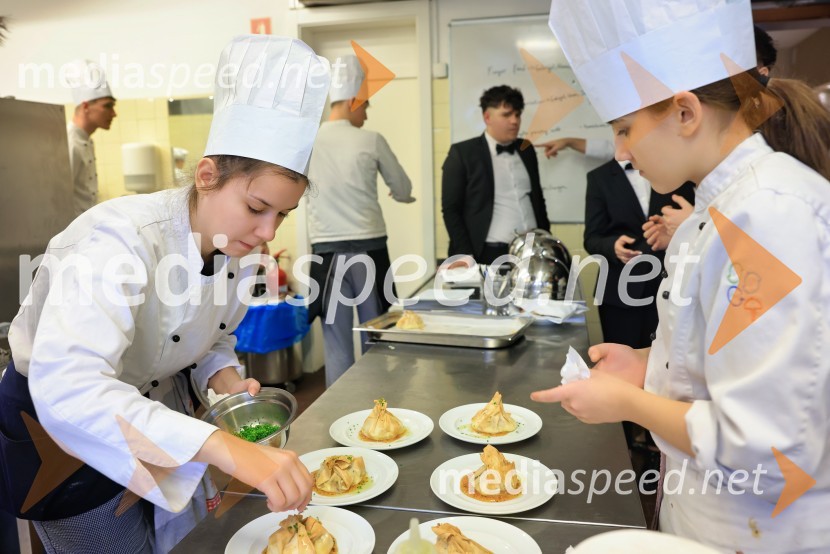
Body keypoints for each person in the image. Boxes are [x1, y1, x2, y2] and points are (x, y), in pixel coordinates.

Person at [0, 35, 330, 553]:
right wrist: (225, 448)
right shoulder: (121, 238)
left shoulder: (238, 250)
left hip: (160, 416)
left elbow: (210, 336)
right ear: (206, 177)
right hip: (68, 437)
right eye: (256, 207)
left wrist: (221, 377)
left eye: (281, 215)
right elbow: (68, 386)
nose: (268, 231)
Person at [538, 1, 830, 551]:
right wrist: (646, 365)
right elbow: (718, 358)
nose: (622, 150)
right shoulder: (708, 217)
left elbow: (766, 449)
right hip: (702, 514)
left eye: (625, 129)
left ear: (685, 112)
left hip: (763, 530)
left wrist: (627, 403)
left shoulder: (769, 215)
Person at [306, 54, 414, 388]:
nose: (366, 114)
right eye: (365, 105)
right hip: (369, 252)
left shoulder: (308, 141)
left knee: (336, 342)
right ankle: (378, 414)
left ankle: (339, 419)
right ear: (353, 100)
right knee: (377, 339)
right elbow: (403, 186)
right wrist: (400, 195)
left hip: (326, 255)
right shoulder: (371, 140)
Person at [584, 162, 695, 348]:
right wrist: (613, 247)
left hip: (668, 285)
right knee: (620, 365)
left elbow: (695, 225)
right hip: (619, 291)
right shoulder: (598, 177)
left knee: (668, 361)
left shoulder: (675, 170)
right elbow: (591, 238)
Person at [442, 85, 550, 265]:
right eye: (506, 115)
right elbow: (451, 209)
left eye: (517, 114)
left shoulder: (526, 149)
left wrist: (546, 237)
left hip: (533, 249)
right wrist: (464, 253)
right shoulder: (463, 153)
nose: (515, 121)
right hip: (489, 252)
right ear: (487, 117)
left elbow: (537, 198)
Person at [65, 59, 117, 216]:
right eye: (107, 106)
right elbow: (61, 198)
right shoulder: (69, 143)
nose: (114, 113)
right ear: (86, 106)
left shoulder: (87, 140)